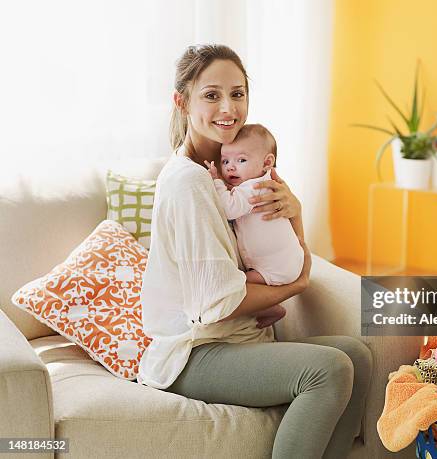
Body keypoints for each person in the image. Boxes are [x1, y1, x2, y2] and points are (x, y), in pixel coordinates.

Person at [136, 44, 372, 459]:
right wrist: (295, 285)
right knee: (328, 370)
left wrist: (294, 210)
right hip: (195, 352)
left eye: (238, 93)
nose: (228, 107)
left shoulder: (236, 170)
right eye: (211, 95)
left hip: (236, 338)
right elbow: (219, 305)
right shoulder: (190, 183)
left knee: (356, 355)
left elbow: (285, 246)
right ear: (182, 101)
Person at [206, 123, 303, 329]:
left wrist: (216, 181)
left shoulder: (256, 188)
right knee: (240, 285)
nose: (230, 167)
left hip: (276, 266)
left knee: (237, 286)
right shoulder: (259, 184)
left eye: (241, 160)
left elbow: (230, 209)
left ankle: (271, 308)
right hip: (286, 262)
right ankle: (273, 307)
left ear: (267, 163)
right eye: (225, 161)